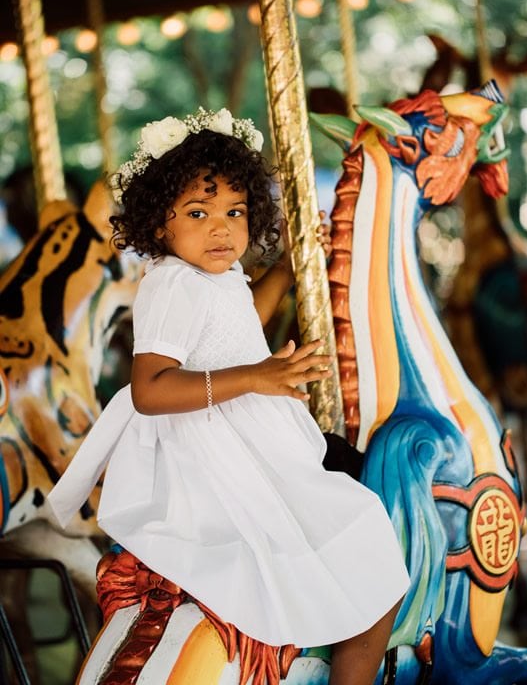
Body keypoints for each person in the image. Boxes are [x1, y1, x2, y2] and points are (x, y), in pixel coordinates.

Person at [48, 107, 409, 685]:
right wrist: (257, 378)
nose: (221, 228)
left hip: (239, 435)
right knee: (369, 541)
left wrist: (290, 269)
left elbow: (236, 326)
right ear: (159, 224)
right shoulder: (171, 285)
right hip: (214, 454)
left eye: (234, 212)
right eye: (198, 212)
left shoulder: (209, 276)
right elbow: (149, 387)